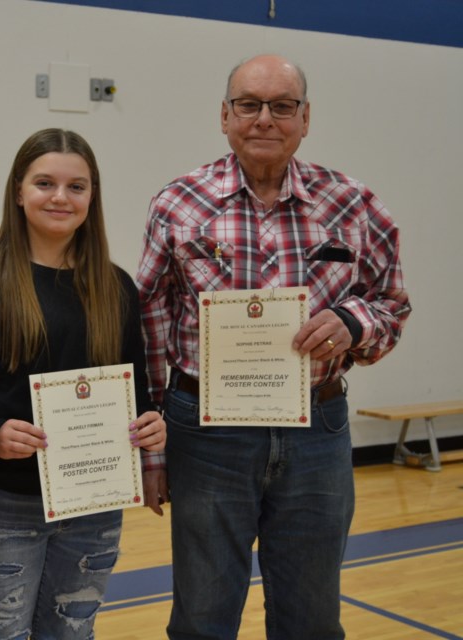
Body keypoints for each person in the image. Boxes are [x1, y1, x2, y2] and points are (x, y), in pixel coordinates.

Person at [136, 55, 411, 639]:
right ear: (224, 115)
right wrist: (153, 448)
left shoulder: (355, 205)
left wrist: (353, 322)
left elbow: (392, 305)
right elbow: (149, 320)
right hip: (204, 432)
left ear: (305, 118)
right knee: (202, 618)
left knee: (310, 618)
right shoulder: (177, 203)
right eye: (249, 105)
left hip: (317, 428)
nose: (265, 119)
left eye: (282, 106)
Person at [0, 128, 167, 640]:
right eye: (45, 182)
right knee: (0, 634)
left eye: (77, 186)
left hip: (94, 501)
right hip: (7, 502)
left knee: (72, 633)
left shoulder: (116, 287)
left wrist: (151, 426)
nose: (60, 197)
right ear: (18, 191)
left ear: (92, 197)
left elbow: (135, 393)